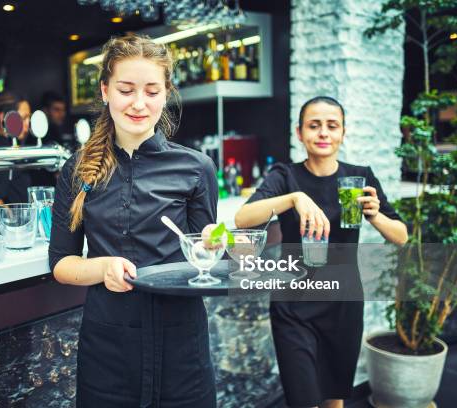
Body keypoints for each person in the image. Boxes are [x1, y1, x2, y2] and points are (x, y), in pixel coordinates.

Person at [48, 34, 218, 407]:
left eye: (152, 91)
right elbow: (62, 264)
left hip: (181, 347)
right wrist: (103, 267)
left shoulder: (197, 168)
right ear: (106, 91)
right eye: (126, 90)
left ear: (166, 93)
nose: (139, 104)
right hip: (108, 350)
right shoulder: (76, 170)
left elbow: (204, 257)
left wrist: (212, 247)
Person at [235, 96, 408, 408]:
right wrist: (293, 199)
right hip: (293, 305)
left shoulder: (360, 177)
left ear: (343, 132)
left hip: (343, 303)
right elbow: (242, 219)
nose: (324, 133)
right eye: (314, 126)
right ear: (299, 133)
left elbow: (401, 236)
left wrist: (375, 215)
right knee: (302, 399)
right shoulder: (284, 177)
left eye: (332, 126)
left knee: (334, 397)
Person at [0, 92, 32, 222]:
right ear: (4, 117)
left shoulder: (2, 145)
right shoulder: (3, 149)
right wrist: (14, 229)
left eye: (29, 119)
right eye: (24, 118)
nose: (28, 124)